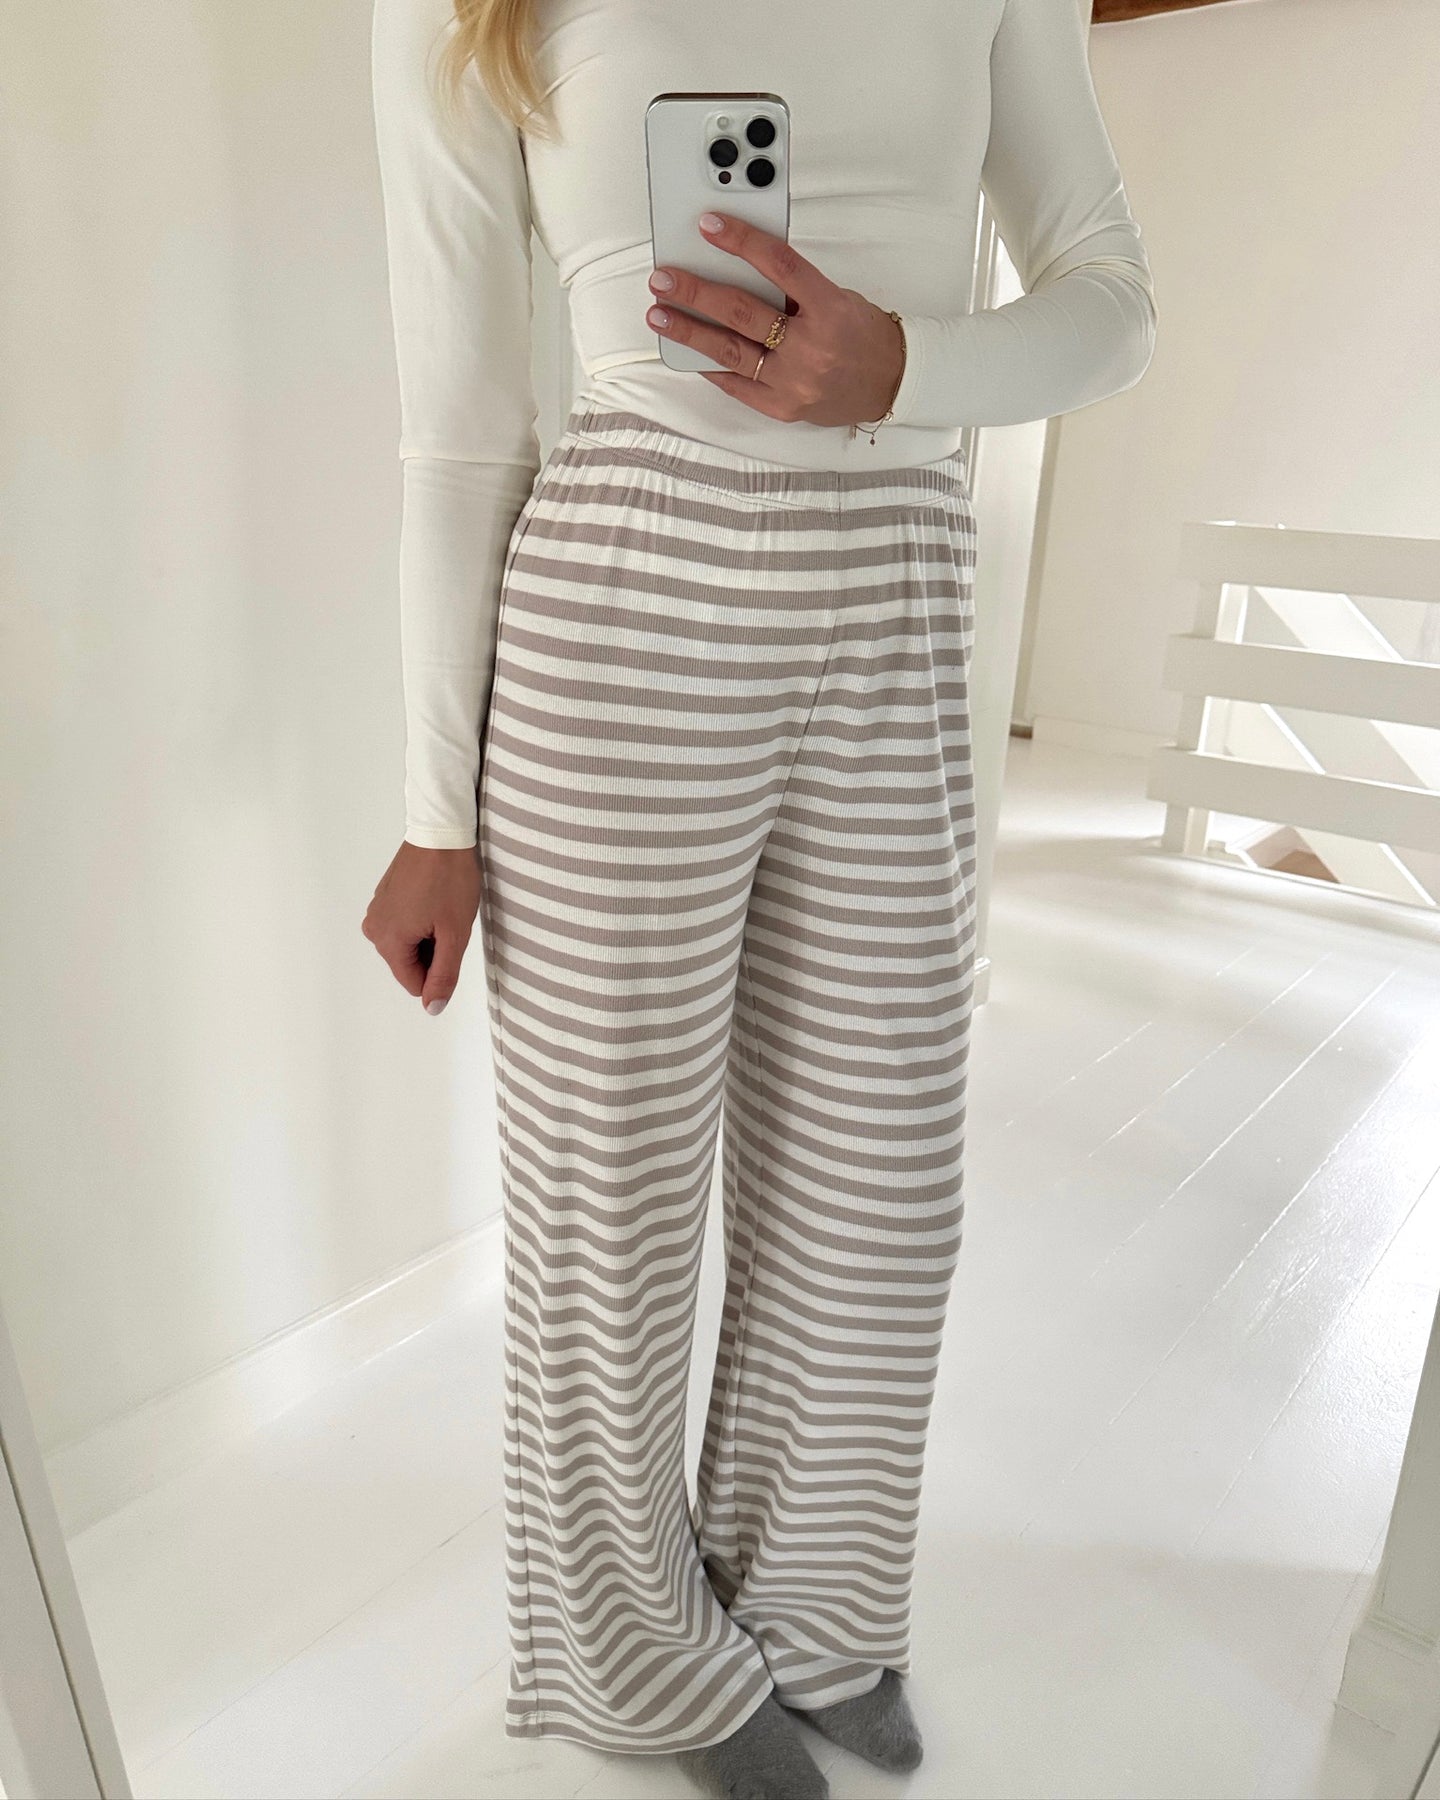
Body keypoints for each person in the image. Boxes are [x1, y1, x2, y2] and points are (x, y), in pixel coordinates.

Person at [362, 2, 1155, 1794]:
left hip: (900, 580)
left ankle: (819, 1619)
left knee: (883, 1186)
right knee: (610, 1199)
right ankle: (639, 1663)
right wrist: (433, 812)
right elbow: (461, 423)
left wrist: (909, 368)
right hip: (622, 596)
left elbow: (1113, 304)